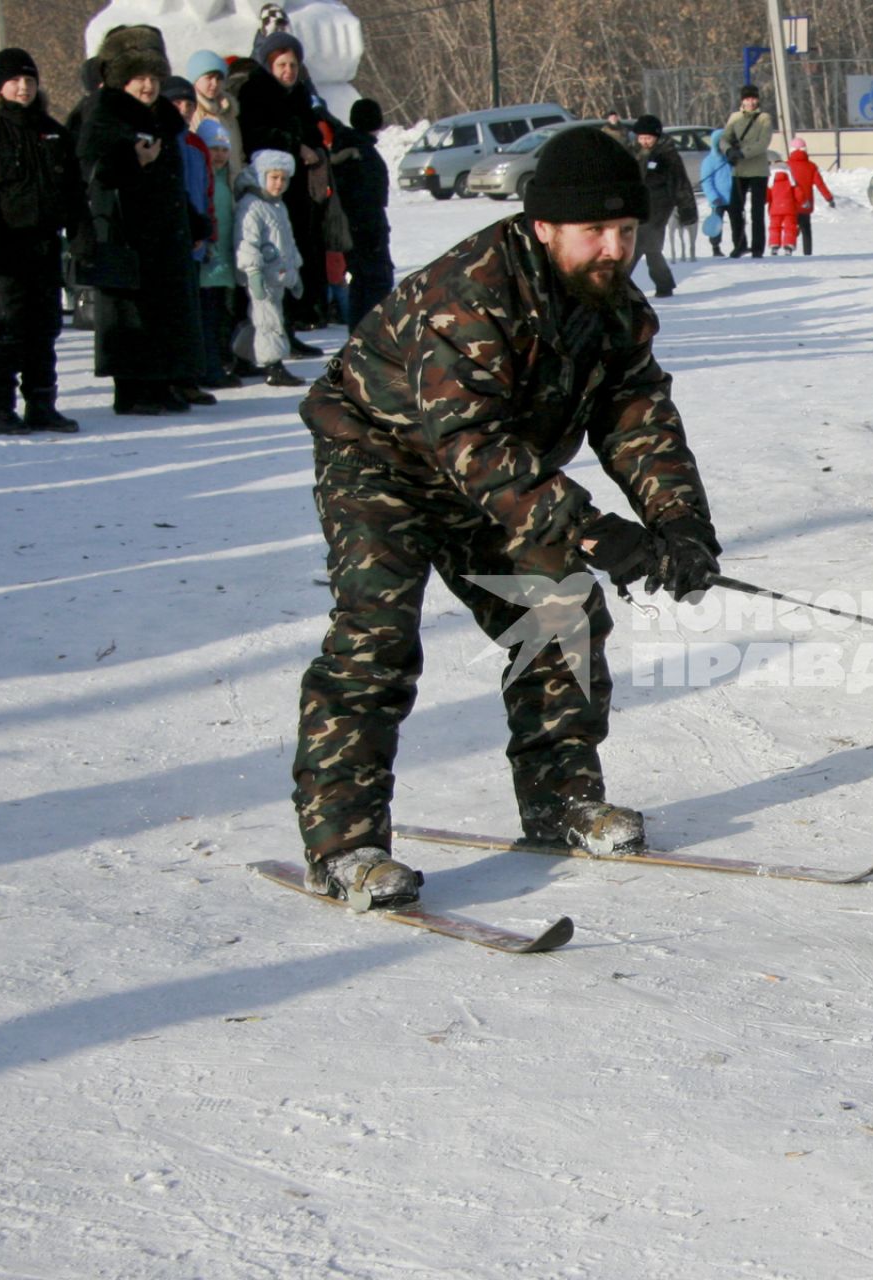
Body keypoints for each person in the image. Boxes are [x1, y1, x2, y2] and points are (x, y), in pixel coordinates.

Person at [289, 125, 721, 908]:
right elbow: (470, 438)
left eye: (626, 230)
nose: (613, 249)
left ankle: (561, 803)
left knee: (561, 613)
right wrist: (594, 530)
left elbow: (636, 414)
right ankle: (345, 843)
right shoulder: (473, 291)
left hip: (498, 475)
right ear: (544, 224)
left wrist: (681, 525)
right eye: (594, 230)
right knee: (376, 639)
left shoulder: (613, 307)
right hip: (382, 460)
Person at [78, 25, 206, 415]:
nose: (148, 86)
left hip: (164, 230)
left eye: (153, 77)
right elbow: (93, 172)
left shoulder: (164, 117)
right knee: (131, 313)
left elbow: (173, 180)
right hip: (124, 232)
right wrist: (134, 160)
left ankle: (163, 380)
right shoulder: (104, 113)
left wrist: (194, 221)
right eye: (139, 78)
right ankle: (132, 390)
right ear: (121, 79)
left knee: (165, 309)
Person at [0, 47, 82, 434]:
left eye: (29, 80)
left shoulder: (52, 131)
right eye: (14, 81)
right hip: (3, 250)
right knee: (5, 331)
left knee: (43, 330)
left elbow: (74, 192)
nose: (23, 87)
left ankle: (41, 403)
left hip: (45, 247)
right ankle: (1, 408)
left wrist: (80, 238)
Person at [234, 29, 325, 350]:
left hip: (296, 190)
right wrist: (295, 146)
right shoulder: (255, 92)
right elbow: (256, 135)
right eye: (282, 65)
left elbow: (313, 128)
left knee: (291, 257)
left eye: (293, 65)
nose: (288, 71)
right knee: (270, 260)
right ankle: (270, 334)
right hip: (268, 190)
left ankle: (290, 327)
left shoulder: (297, 94)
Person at [161, 75, 219, 406]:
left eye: (188, 104)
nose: (183, 109)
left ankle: (189, 378)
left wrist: (206, 230)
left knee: (193, 313)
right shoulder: (162, 139)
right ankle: (170, 379)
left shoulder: (196, 144)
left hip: (195, 236)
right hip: (172, 236)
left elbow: (206, 190)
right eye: (176, 103)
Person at [234, 148, 303, 386]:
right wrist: (252, 270)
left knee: (264, 318)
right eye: (274, 178)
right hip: (261, 275)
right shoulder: (251, 205)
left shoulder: (277, 206)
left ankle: (242, 358)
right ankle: (274, 366)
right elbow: (246, 241)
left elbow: (288, 241)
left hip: (279, 275)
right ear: (262, 175)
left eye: (284, 179)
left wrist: (295, 270)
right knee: (269, 320)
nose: (279, 184)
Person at [330, 96, 391, 325]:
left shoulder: (347, 146)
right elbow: (368, 198)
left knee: (362, 283)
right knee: (375, 284)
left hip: (355, 229)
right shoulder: (362, 154)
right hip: (367, 229)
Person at [193, 118, 240, 389]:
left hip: (224, 263)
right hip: (208, 263)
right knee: (207, 318)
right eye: (214, 148)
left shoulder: (226, 182)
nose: (219, 155)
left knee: (221, 316)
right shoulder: (205, 181)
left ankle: (221, 361)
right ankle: (209, 367)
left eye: (224, 149)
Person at [630, 114, 693, 298]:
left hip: (659, 207)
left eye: (648, 138)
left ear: (657, 137)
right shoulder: (631, 152)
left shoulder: (667, 155)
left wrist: (686, 208)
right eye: (641, 138)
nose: (644, 141)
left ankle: (620, 282)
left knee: (642, 245)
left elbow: (680, 183)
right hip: (636, 206)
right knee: (651, 249)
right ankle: (664, 284)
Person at [718, 84, 772, 258]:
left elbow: (762, 143)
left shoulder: (764, 118)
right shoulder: (734, 117)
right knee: (735, 209)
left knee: (757, 211)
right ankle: (739, 244)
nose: (750, 102)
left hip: (758, 170)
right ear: (742, 100)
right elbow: (724, 138)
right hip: (739, 171)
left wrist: (742, 153)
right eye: (747, 99)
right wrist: (728, 151)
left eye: (753, 98)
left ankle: (758, 248)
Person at [186, 50, 243, 179]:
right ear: (195, 79)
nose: (214, 84)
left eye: (219, 78)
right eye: (209, 78)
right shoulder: (191, 111)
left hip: (231, 187)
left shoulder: (228, 111)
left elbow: (238, 153)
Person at [784, 137, 833, 256]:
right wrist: (829, 198)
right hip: (806, 204)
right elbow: (820, 184)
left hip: (790, 203)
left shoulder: (786, 166)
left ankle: (789, 247)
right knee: (806, 229)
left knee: (790, 226)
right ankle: (807, 252)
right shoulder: (811, 166)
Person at [697, 125, 732, 258]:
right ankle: (715, 246)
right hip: (718, 200)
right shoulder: (709, 161)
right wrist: (713, 197)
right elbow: (707, 181)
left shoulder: (731, 160)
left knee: (737, 223)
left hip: (733, 198)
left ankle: (739, 245)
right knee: (716, 225)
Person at [764, 161, 797, 255]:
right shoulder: (791, 181)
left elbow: (766, 197)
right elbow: (798, 194)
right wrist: (802, 202)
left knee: (774, 227)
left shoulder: (771, 183)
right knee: (790, 227)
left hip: (775, 209)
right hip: (789, 209)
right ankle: (789, 245)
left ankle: (774, 245)